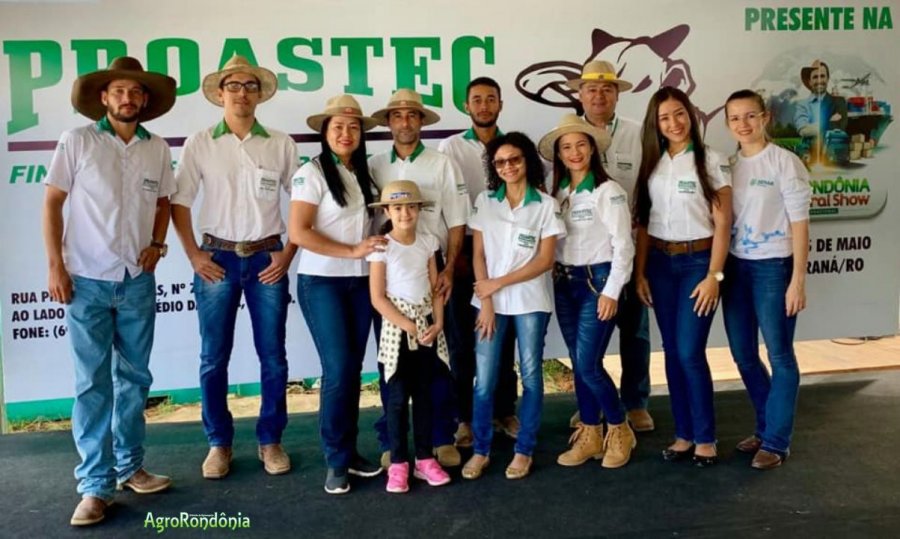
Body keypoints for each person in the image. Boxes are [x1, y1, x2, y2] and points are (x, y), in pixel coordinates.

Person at [42, 56, 176, 526]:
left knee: (135, 380)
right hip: (86, 282)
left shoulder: (156, 147)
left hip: (137, 282)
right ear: (104, 98)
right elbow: (53, 202)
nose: (127, 99)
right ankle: (94, 487)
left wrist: (158, 243)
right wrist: (56, 265)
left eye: (135, 92)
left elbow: (163, 200)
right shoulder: (76, 141)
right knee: (92, 385)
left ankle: (130, 466)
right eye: (119, 91)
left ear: (145, 100)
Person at [171, 55, 298, 480]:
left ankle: (270, 440)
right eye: (234, 85)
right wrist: (193, 255)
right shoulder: (200, 142)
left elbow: (302, 201)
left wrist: (289, 251)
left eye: (249, 86)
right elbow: (180, 201)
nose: (241, 93)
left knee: (274, 357)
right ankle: (218, 444)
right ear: (220, 93)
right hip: (217, 259)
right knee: (213, 357)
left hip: (267, 257)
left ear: (259, 94)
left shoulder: (280, 143)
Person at [369, 89, 470, 468]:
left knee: (439, 360)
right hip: (391, 274)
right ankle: (394, 442)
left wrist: (448, 268)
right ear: (389, 122)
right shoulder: (376, 164)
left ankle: (441, 436)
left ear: (421, 122)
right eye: (398, 116)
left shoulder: (441, 163)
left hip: (434, 266)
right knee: (392, 362)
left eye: (413, 115)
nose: (405, 122)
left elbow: (457, 220)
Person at [289, 94, 385, 494]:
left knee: (352, 370)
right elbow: (299, 232)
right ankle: (336, 459)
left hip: (361, 282)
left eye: (353, 127)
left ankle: (350, 451)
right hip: (322, 281)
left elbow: (377, 226)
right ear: (324, 133)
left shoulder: (364, 173)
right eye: (337, 127)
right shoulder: (310, 173)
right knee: (339, 369)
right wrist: (351, 251)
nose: (346, 133)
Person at [633, 86, 733, 467]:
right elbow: (643, 222)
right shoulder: (653, 162)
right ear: (654, 125)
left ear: (690, 114)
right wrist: (640, 272)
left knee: (690, 351)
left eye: (679, 113)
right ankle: (684, 434)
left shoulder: (711, 160)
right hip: (660, 264)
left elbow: (724, 223)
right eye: (664, 117)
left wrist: (714, 275)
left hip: (699, 263)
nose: (673, 123)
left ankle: (706, 436)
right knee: (672, 352)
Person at [461, 132, 565, 481]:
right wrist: (487, 299)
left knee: (532, 377)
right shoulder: (485, 201)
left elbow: (545, 260)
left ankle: (524, 451)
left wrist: (498, 284)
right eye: (500, 162)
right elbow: (477, 255)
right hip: (489, 304)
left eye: (515, 160)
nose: (508, 166)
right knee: (484, 381)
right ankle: (481, 451)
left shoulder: (545, 205)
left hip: (531, 303)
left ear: (527, 162)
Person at [538, 114, 637, 468]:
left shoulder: (608, 191)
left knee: (588, 363)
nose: (574, 152)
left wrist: (611, 292)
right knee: (579, 365)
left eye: (581, 144)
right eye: (567, 147)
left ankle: (619, 427)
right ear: (560, 155)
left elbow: (624, 246)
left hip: (598, 282)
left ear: (592, 149)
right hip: (566, 283)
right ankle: (590, 431)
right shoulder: (559, 194)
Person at [723, 89, 811, 470]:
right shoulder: (728, 165)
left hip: (774, 268)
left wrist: (798, 281)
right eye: (735, 118)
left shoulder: (785, 163)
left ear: (765, 117)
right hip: (736, 269)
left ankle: (777, 441)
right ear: (727, 124)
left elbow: (800, 224)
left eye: (750, 116)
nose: (743, 124)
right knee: (743, 354)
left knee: (780, 356)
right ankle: (765, 426)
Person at [566, 60, 654, 431]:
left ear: (617, 94)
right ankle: (593, 402)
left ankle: (635, 402)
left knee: (634, 329)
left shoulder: (638, 134)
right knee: (586, 340)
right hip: (583, 255)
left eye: (606, 89)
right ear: (580, 94)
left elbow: (651, 189)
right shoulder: (567, 138)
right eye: (591, 89)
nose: (598, 95)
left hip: (629, 248)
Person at [437, 77, 520, 448]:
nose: (484, 106)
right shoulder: (450, 148)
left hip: (507, 253)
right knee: (460, 340)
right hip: (463, 252)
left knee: (503, 336)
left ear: (500, 104)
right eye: (477, 100)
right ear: (466, 106)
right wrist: (454, 258)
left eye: (490, 99)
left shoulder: (512, 146)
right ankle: (464, 418)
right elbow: (446, 205)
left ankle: (505, 411)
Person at [367, 180, 453, 493]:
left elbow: (436, 288)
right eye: (398, 207)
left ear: (419, 209)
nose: (405, 213)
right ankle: (399, 462)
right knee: (397, 399)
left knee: (425, 394)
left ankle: (425, 459)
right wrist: (408, 325)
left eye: (411, 207)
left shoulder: (428, 242)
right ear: (387, 211)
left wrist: (438, 321)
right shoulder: (381, 247)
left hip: (427, 325)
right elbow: (378, 298)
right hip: (398, 329)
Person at [793, 59, 848, 164]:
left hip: (834, 158)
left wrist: (813, 127)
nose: (819, 80)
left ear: (827, 79)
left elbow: (840, 127)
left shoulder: (839, 102)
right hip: (809, 158)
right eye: (815, 77)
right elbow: (803, 130)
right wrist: (829, 122)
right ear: (809, 81)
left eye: (822, 76)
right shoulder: (801, 105)